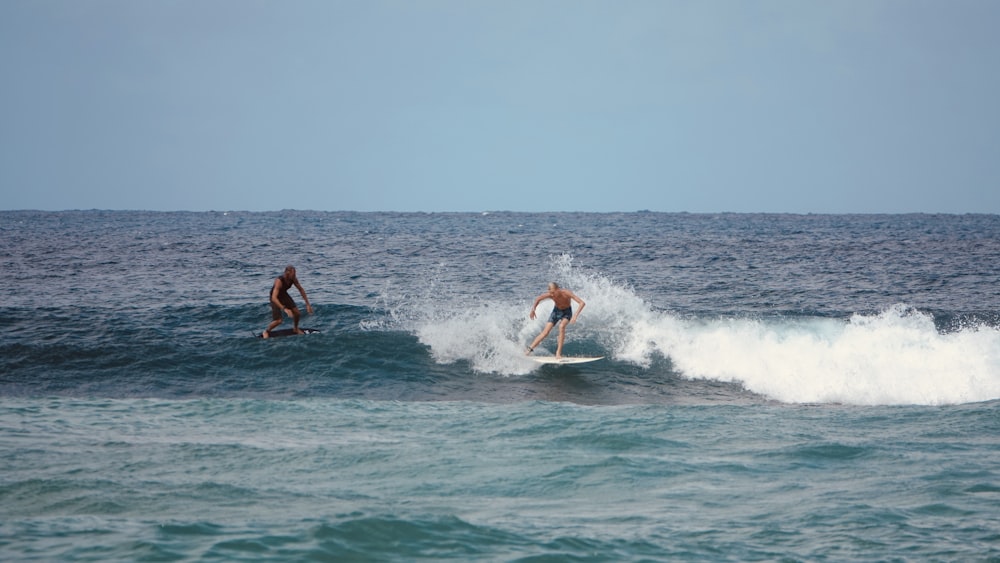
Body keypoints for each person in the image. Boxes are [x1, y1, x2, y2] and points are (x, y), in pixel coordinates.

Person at [526, 282, 586, 358]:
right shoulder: (551, 294)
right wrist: (533, 310)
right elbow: (538, 299)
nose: (552, 295)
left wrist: (575, 316)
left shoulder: (566, 293)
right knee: (545, 332)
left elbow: (582, 303)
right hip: (556, 311)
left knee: (561, 326)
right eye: (550, 293)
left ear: (558, 289)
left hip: (566, 312)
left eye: (553, 292)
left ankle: (558, 353)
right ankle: (529, 350)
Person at [262, 265, 313, 338]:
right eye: (293, 274)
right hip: (275, 297)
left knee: (297, 313)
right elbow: (274, 298)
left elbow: (301, 290)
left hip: (283, 295)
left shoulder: (293, 279)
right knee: (278, 321)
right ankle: (266, 331)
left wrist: (308, 304)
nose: (294, 276)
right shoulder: (279, 281)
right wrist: (284, 309)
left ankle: (295, 328)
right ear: (287, 273)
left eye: (295, 274)